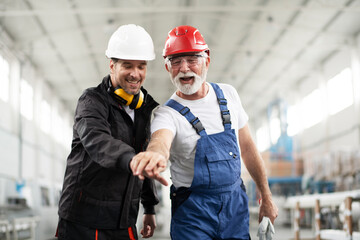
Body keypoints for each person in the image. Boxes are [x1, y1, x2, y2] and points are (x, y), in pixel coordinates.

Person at [130, 25, 278, 240]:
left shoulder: (229, 94)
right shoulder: (166, 113)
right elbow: (161, 140)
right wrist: (154, 154)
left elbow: (247, 148)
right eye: (176, 61)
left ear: (207, 60)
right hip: (193, 213)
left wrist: (267, 196)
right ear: (166, 67)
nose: (184, 68)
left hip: (234, 207)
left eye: (192, 59)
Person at [56, 24, 160, 240]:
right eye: (127, 66)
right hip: (84, 221)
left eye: (141, 66)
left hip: (124, 220)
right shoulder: (91, 101)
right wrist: (132, 160)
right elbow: (98, 142)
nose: (135, 74)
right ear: (112, 65)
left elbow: (145, 157)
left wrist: (149, 208)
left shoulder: (143, 109)